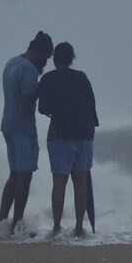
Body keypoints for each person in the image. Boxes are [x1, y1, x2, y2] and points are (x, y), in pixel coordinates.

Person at [37, 42, 99, 237]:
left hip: (60, 133)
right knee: (80, 181)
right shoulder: (82, 78)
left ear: (55, 59)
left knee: (59, 182)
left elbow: (42, 108)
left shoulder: (48, 79)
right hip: (84, 133)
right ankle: (79, 227)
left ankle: (56, 227)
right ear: (72, 59)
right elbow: (91, 105)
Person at [0, 31, 53, 234]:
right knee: (25, 176)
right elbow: (27, 99)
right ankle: (17, 223)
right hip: (23, 127)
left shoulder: (11, 63)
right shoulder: (29, 70)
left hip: (8, 123)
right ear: (38, 52)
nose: (45, 63)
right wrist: (44, 93)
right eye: (46, 57)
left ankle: (3, 221)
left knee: (14, 174)